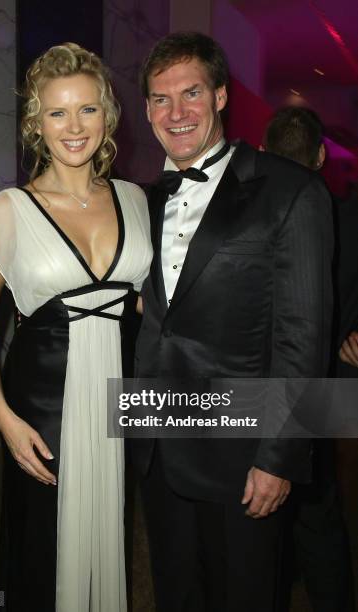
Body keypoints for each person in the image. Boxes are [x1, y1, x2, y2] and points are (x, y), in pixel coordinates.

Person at [131, 32, 333, 612]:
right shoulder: (139, 201)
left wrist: (278, 456)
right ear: (145, 109)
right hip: (153, 440)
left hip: (240, 448)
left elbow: (303, 338)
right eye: (160, 99)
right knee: (175, 590)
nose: (176, 113)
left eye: (191, 93)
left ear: (220, 95)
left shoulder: (291, 190)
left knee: (244, 595)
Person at [0, 42, 152, 612]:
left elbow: (144, 303)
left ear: (108, 116)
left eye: (88, 109)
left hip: (115, 399)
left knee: (107, 528)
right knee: (41, 544)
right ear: (35, 122)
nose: (75, 127)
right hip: (41, 406)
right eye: (57, 112)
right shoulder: (8, 209)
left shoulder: (135, 199)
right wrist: (3, 418)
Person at [263, 105, 355, 612]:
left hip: (269, 382)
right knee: (317, 508)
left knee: (275, 507)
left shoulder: (249, 217)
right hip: (326, 384)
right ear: (320, 155)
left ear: (261, 153)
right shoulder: (350, 216)